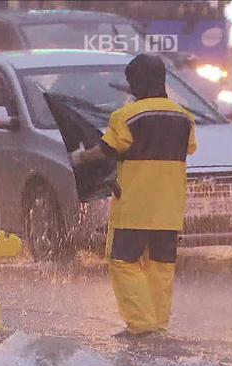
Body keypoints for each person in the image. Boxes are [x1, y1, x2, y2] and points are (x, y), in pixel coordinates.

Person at [70, 54, 197, 335]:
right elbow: (189, 148)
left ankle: (142, 326)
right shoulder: (184, 117)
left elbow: (106, 150)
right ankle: (158, 326)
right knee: (161, 268)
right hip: (170, 209)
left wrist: (80, 157)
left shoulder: (125, 116)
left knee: (122, 262)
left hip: (135, 206)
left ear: (136, 82)